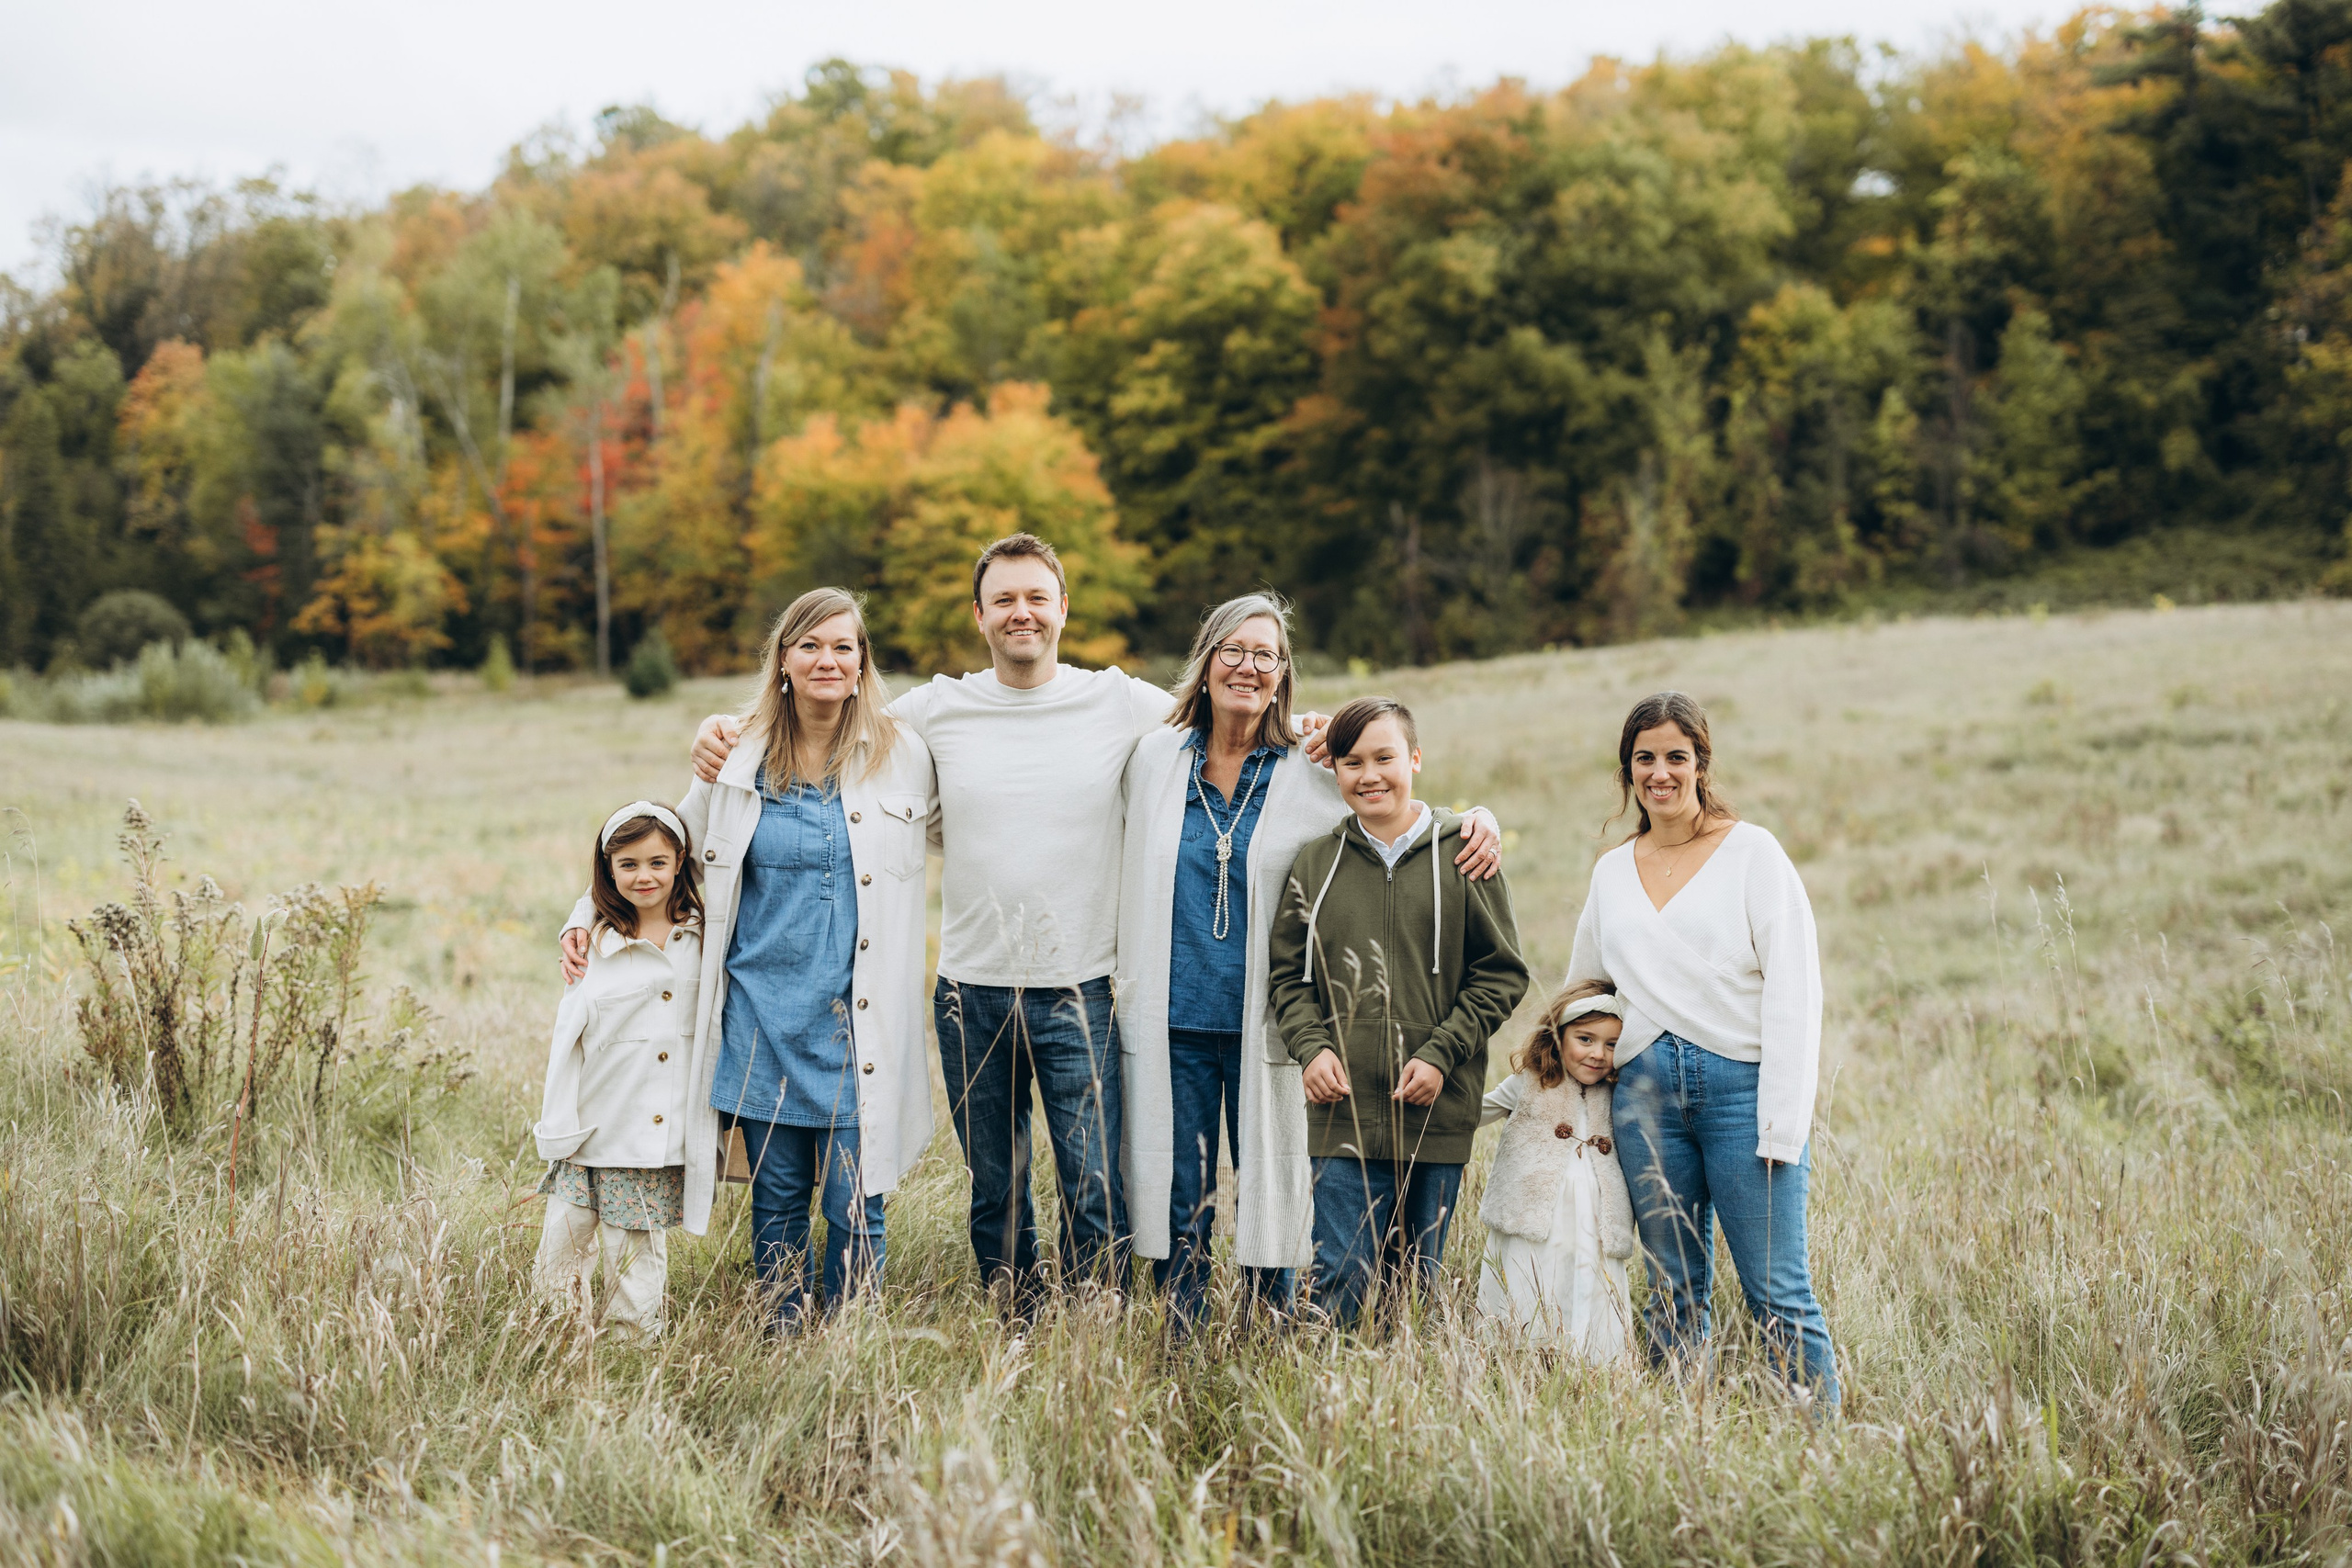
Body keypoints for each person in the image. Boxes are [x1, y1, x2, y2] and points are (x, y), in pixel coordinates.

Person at [1118, 597, 1505, 1334]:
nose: (1247, 667)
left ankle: (1267, 1330)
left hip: (1277, 1018)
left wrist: (1477, 816)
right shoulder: (1152, 760)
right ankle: (1182, 1336)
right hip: (1173, 1013)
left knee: (1278, 1178)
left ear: (1284, 674)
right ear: (1204, 661)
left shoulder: (1312, 763)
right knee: (1179, 1191)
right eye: (1231, 650)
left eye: (1265, 655)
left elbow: (1394, 796)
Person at [560, 589, 937, 1327]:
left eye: (844, 647)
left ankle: (850, 1345)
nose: (827, 659)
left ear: (862, 664)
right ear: (784, 662)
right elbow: (664, 848)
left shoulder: (905, 756)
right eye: (810, 646)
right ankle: (782, 1336)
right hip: (764, 1018)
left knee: (857, 1202)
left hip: (856, 1024)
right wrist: (587, 912)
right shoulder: (737, 760)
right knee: (779, 1205)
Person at [1566, 690, 1839, 1410]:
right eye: (1644, 758)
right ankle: (1680, 1442)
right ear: (1628, 771)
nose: (1661, 772)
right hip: (1645, 1098)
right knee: (1672, 1289)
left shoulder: (1753, 853)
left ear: (1701, 764)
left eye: (1675, 757)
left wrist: (1783, 1118)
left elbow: (1795, 988)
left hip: (1742, 1096)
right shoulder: (1611, 873)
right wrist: (1573, 1088)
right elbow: (1586, 990)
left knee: (1778, 1289)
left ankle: (1820, 1448)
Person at [1266, 696, 1530, 1326]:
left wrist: (1440, 1054)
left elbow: (1501, 974)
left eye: (1384, 756)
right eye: (1352, 761)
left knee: (1414, 1290)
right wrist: (1312, 1047)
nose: (1369, 774)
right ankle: (1339, 1410)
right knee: (1340, 1284)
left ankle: (1405, 1410)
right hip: (1342, 1111)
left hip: (1434, 1110)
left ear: (1414, 758)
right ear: (1336, 771)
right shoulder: (1315, 863)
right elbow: (1286, 976)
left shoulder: (1466, 852)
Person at [533, 801, 705, 1338]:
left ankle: (630, 1349)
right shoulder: (594, 946)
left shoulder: (704, 936)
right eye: (627, 864)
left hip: (655, 1135)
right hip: (591, 1126)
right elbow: (567, 1044)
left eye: (658, 862)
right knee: (564, 1241)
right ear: (608, 870)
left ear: (680, 862)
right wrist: (558, 1126)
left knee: (634, 1248)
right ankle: (554, 1336)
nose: (644, 876)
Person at [1475, 978, 1635, 1360]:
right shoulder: (1530, 1084)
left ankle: (1589, 1362)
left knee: (1589, 1281)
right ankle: (1520, 1359)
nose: (1598, 1053)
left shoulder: (1616, 1093)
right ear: (1558, 1037)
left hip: (1595, 1221)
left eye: (1611, 1044)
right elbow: (1476, 1112)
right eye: (1585, 1039)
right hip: (1534, 1217)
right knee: (1533, 1279)